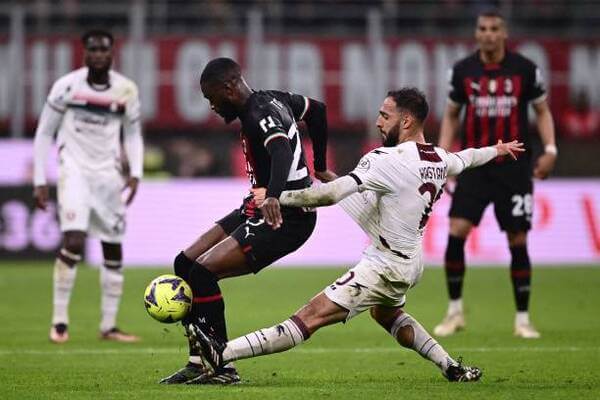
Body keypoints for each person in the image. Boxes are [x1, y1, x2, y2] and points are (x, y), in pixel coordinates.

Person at [188, 88, 524, 382]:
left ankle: (222, 353)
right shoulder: (438, 158)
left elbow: (329, 196)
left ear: (405, 122)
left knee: (308, 318)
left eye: (384, 115)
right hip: (409, 262)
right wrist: (496, 149)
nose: (378, 122)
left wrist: (279, 196)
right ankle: (450, 366)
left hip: (383, 266)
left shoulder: (383, 159)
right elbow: (466, 158)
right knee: (386, 314)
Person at [160, 57, 336, 385]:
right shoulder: (276, 98)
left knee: (203, 272)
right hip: (259, 207)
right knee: (184, 263)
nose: (211, 105)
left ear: (228, 87)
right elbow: (318, 110)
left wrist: (273, 195)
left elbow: (281, 150)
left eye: (211, 96)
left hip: (288, 217)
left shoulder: (259, 114)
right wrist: (321, 164)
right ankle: (199, 362)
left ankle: (223, 367)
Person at [433, 9, 557, 339]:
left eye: (494, 29)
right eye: (482, 28)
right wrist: (445, 160)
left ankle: (522, 319)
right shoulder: (462, 71)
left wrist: (550, 149)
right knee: (456, 231)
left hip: (514, 168)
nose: (487, 34)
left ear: (504, 33)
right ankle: (455, 311)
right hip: (475, 165)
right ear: (476, 33)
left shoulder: (525, 69)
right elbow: (451, 116)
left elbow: (542, 112)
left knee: (518, 238)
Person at [33, 30, 144, 343]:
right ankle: (59, 321)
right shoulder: (67, 87)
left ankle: (108, 327)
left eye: (103, 50)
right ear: (84, 53)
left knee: (113, 246)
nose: (98, 55)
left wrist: (135, 173)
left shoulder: (126, 90)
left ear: (112, 53)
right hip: (74, 173)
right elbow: (44, 133)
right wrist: (40, 179)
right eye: (92, 49)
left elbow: (132, 135)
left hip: (109, 177)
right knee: (75, 240)